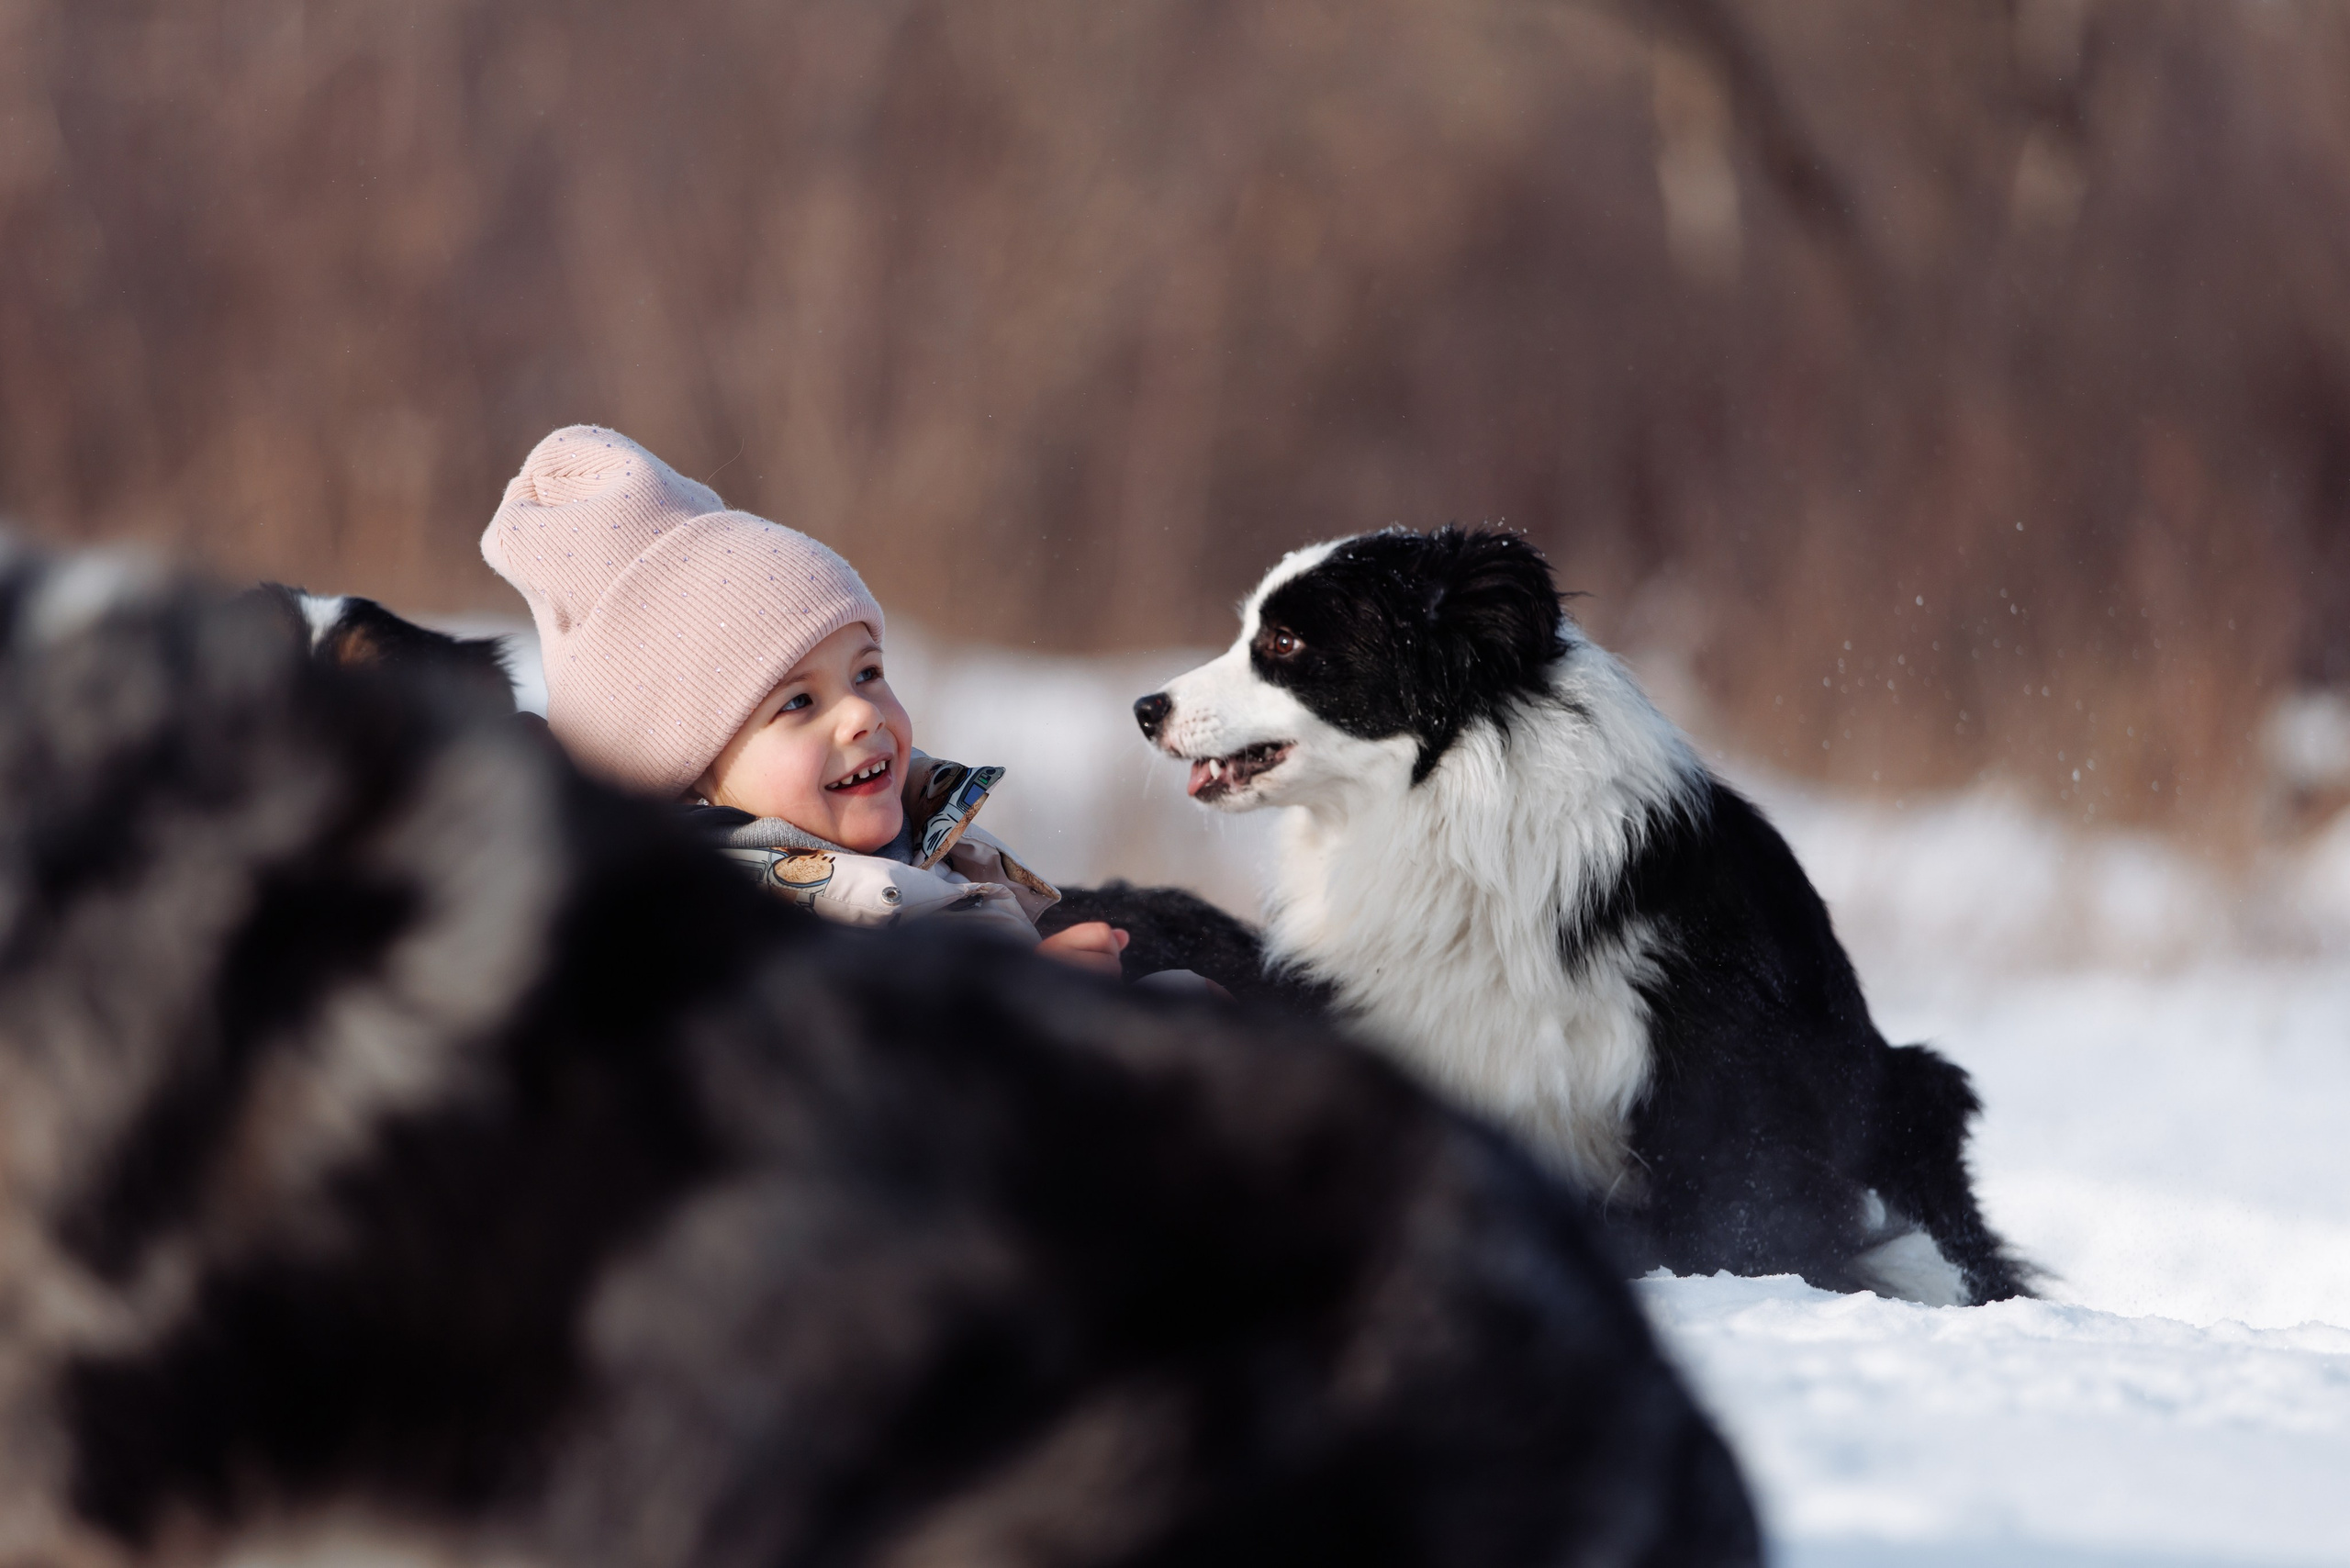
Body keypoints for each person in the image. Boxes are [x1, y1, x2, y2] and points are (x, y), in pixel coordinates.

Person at [481, 424, 1128, 975]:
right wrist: (1028, 1011)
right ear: (686, 777)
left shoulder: (931, 849)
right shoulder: (721, 938)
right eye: (797, 704)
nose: (863, 713)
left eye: (867, 672)